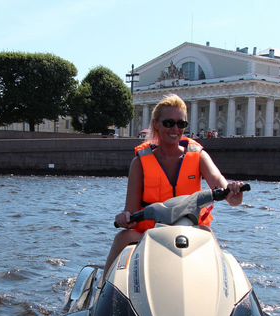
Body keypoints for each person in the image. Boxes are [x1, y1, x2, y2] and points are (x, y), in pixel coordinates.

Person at [104, 94, 244, 275]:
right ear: (156, 124)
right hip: (150, 235)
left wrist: (234, 192)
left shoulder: (199, 156)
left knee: (210, 238)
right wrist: (125, 218)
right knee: (123, 237)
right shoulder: (139, 163)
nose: (175, 129)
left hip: (192, 233)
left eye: (181, 124)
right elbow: (130, 212)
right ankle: (103, 288)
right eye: (169, 123)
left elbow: (224, 189)